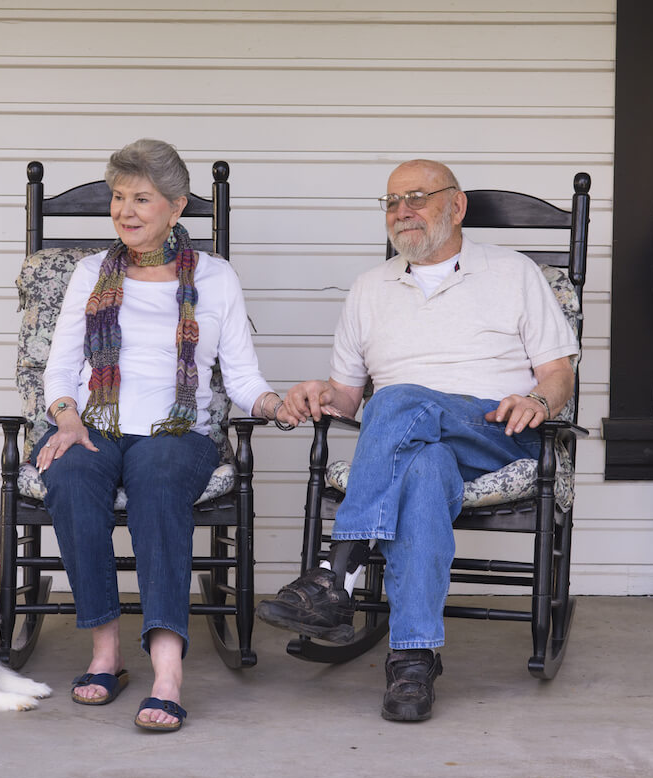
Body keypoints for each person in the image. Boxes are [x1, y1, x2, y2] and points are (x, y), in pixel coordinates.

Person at [256, 159, 578, 722]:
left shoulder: (515, 273)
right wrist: (317, 393)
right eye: (390, 201)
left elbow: (558, 373)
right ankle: (412, 660)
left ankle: (340, 574)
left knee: (399, 399)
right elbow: (349, 399)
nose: (401, 211)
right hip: (411, 443)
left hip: (498, 431)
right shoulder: (368, 289)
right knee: (424, 470)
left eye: (417, 197)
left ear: (456, 206)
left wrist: (540, 402)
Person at [34, 139, 284, 732]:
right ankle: (105, 653)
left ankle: (167, 671)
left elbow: (242, 377)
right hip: (93, 424)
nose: (125, 210)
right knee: (69, 477)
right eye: (118, 198)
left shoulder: (217, 279)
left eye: (141, 198)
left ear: (176, 208)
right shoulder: (90, 273)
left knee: (158, 477)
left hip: (179, 433)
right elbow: (61, 366)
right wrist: (67, 419)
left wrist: (277, 405)